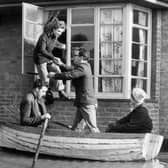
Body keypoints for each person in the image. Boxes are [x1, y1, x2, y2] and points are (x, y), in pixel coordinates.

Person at [48, 48, 100, 133]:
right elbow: (72, 69)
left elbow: (70, 75)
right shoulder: (85, 66)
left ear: (81, 57)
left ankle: (99, 144)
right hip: (83, 102)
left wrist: (54, 75)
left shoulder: (83, 68)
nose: (73, 58)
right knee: (76, 129)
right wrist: (61, 64)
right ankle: (77, 144)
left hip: (86, 103)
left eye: (75, 56)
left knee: (93, 128)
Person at [33, 17, 68, 99]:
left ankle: (61, 91)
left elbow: (55, 43)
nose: (60, 34)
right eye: (59, 31)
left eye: (62, 32)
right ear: (54, 29)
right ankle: (43, 97)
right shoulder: (44, 36)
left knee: (57, 70)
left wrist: (62, 46)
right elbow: (42, 50)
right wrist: (53, 57)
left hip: (48, 58)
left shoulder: (54, 37)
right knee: (45, 79)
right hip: (40, 59)